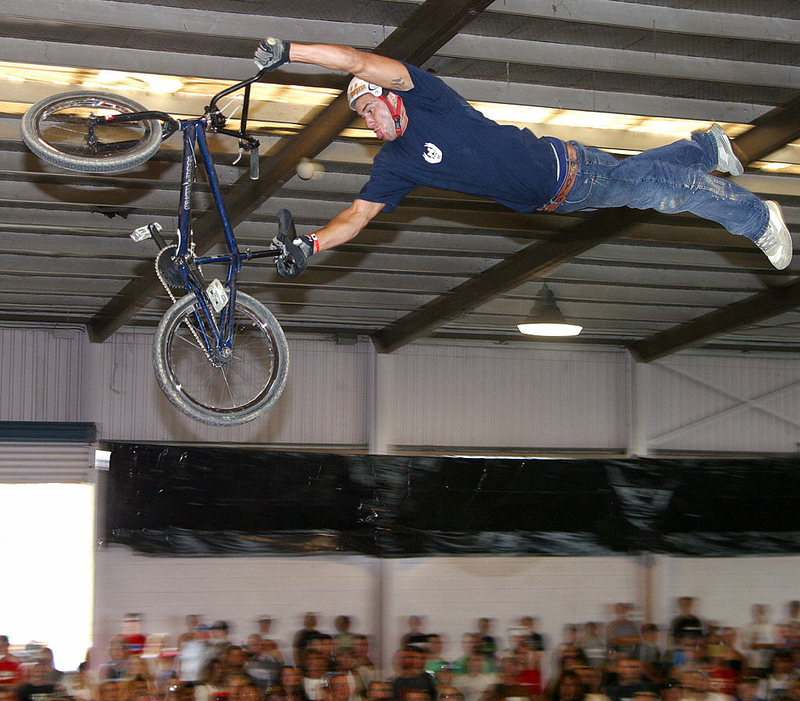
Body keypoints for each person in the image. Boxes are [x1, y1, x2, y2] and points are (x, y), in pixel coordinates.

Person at [253, 38, 793, 275]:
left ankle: (755, 217)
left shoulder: (427, 98)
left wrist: (291, 54)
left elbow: (354, 60)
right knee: (637, 174)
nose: (370, 125)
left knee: (662, 193)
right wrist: (311, 243)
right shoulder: (396, 165)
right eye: (363, 120)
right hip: (559, 197)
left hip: (564, 173)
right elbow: (357, 216)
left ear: (392, 94)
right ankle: (706, 148)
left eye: (370, 110)